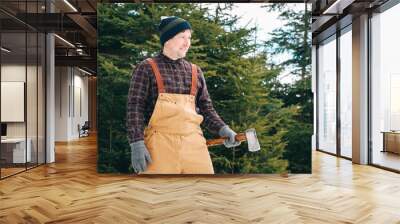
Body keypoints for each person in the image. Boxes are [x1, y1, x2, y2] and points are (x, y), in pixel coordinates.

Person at [127, 16, 240, 174]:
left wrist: (223, 129)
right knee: (158, 196)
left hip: (194, 145)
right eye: (182, 37)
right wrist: (136, 143)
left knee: (203, 193)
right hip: (159, 146)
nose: (187, 43)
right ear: (167, 39)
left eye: (189, 38)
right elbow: (135, 107)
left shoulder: (195, 71)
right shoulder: (146, 68)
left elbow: (206, 109)